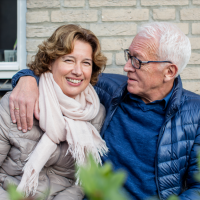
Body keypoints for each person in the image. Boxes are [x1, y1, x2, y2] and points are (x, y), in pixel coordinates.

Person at [10, 22, 200, 200]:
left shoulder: (195, 114)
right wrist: (25, 79)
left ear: (169, 72)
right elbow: (60, 74)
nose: (126, 67)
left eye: (137, 61)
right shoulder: (109, 90)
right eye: (129, 56)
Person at [0, 24, 108, 200]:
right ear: (50, 62)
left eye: (86, 63)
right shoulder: (17, 102)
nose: (78, 71)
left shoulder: (95, 112)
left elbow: (81, 184)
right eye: (69, 60)